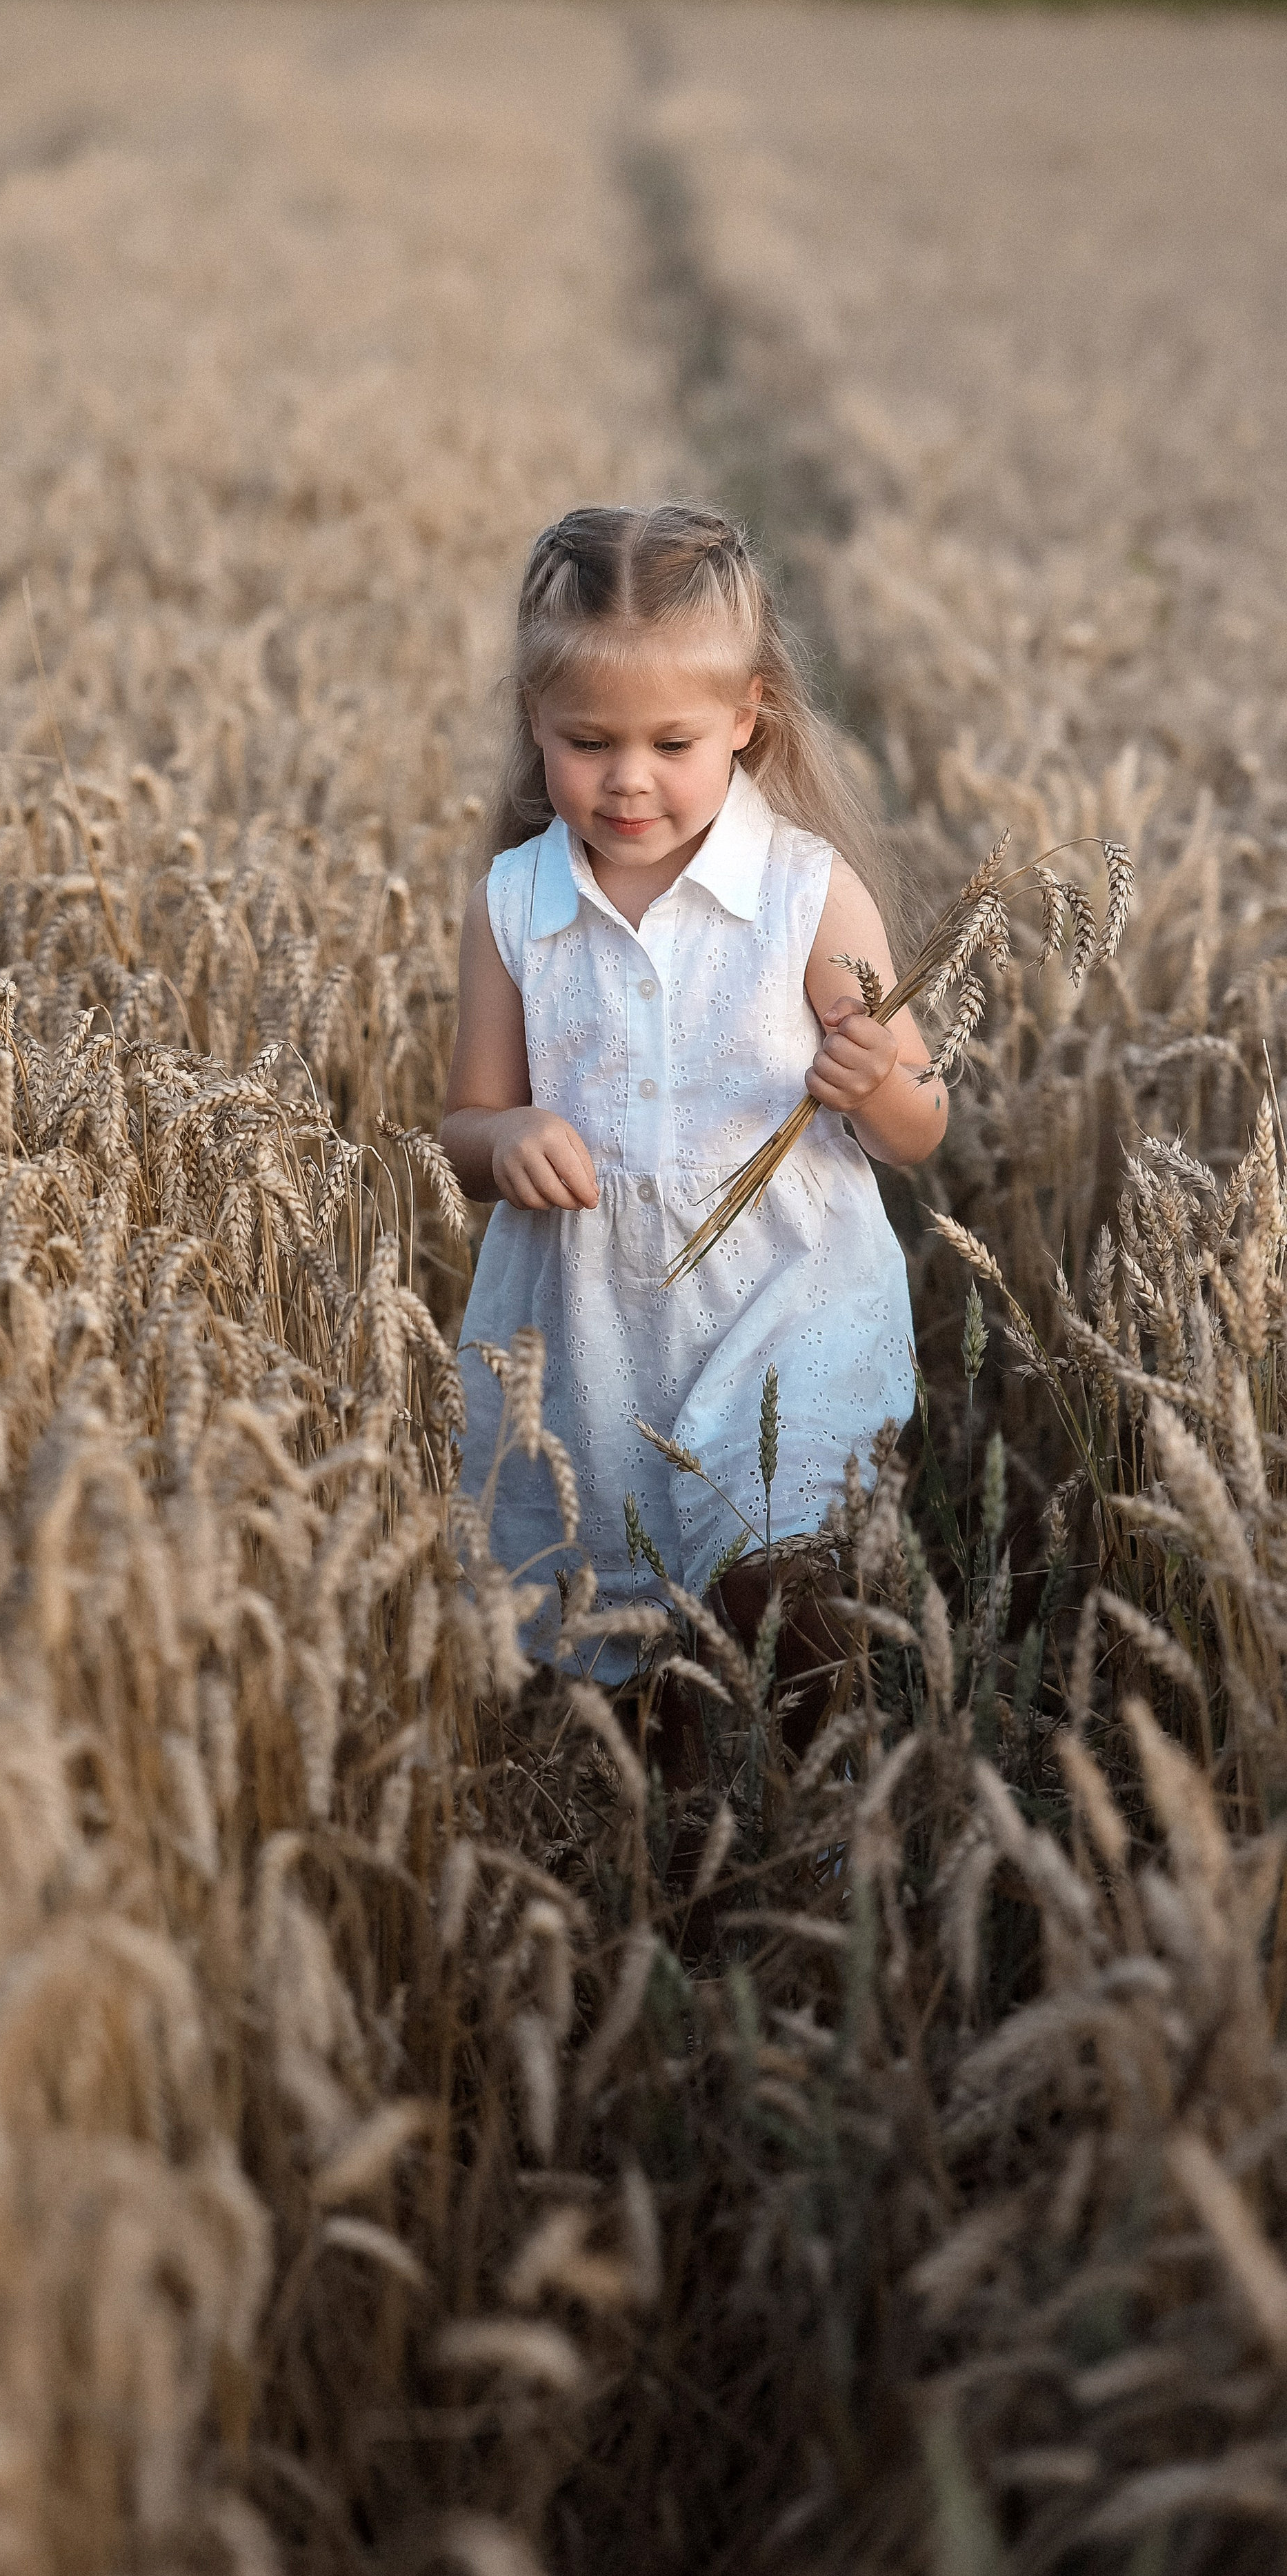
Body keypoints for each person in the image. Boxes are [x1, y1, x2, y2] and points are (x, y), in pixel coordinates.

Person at [440, 502, 945, 1738]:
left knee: (783, 1566)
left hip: (789, 1293)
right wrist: (506, 1141)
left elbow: (920, 1127)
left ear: (746, 717)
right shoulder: (513, 905)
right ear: (535, 723)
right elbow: (466, 1124)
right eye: (588, 741)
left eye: (672, 742)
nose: (629, 778)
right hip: (594, 1316)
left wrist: (876, 1081)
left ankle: (816, 1801)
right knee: (621, 1606)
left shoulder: (806, 894)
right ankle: (666, 1802)